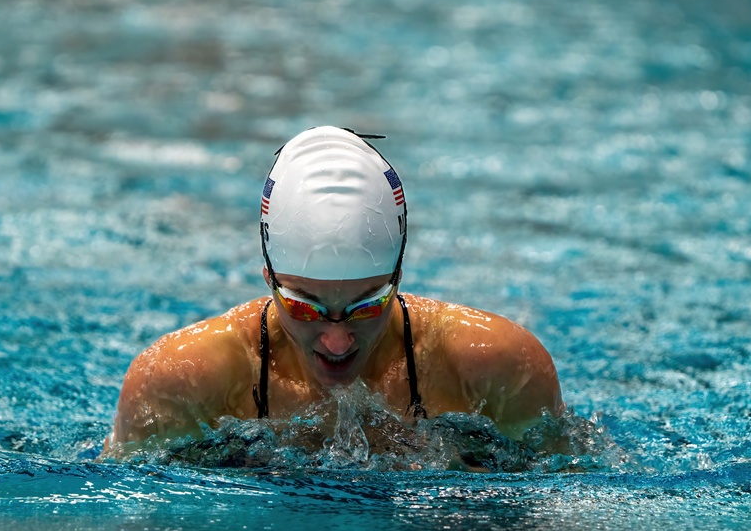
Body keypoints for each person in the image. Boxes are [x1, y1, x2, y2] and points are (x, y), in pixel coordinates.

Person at [105, 126, 562, 455]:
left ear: (398, 276)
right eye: (306, 308)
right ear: (269, 277)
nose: (337, 341)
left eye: (367, 306)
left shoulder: (494, 367)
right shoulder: (180, 382)